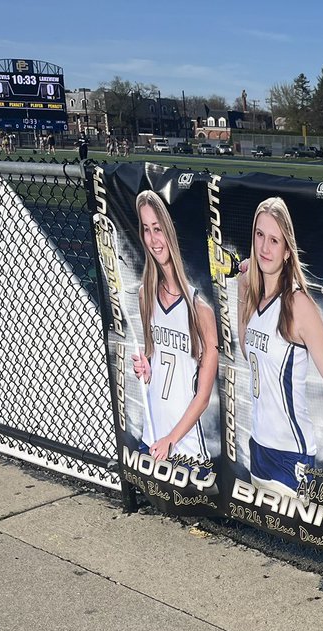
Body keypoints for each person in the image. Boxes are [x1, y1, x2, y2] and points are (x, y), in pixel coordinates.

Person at [236, 197, 323, 497]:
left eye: (274, 240)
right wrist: (241, 290)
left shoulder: (297, 304)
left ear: (287, 251)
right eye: (259, 235)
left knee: (291, 539)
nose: (264, 248)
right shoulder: (254, 295)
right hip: (258, 445)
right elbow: (248, 351)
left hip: (291, 455)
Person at [130, 190, 219, 464]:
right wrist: (146, 370)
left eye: (158, 229)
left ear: (170, 232)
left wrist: (172, 438)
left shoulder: (200, 310)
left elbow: (203, 396)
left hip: (186, 447)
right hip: (152, 437)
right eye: (146, 229)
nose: (153, 240)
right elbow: (153, 363)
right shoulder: (146, 295)